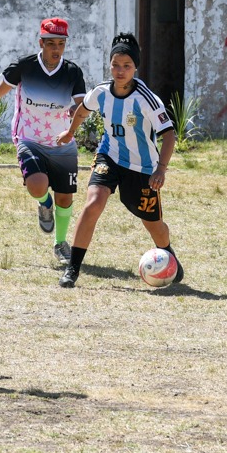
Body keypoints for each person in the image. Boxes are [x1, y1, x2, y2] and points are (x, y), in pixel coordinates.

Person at [54, 32, 182, 289]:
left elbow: (169, 135)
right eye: (115, 65)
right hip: (109, 156)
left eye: (126, 66)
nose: (120, 71)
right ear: (109, 65)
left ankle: (169, 256)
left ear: (135, 67)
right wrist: (69, 132)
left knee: (153, 224)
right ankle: (73, 269)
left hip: (142, 168)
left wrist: (161, 169)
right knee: (93, 202)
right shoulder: (101, 92)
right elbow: (83, 110)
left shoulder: (146, 99)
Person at [0, 17, 85, 266]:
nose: (56, 49)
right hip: (29, 139)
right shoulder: (25, 67)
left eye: (61, 44)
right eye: (51, 43)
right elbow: (2, 89)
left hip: (62, 142)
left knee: (65, 198)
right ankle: (44, 204)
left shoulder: (73, 72)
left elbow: (80, 106)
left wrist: (75, 125)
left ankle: (60, 243)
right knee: (37, 185)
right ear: (41, 43)